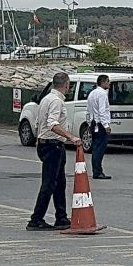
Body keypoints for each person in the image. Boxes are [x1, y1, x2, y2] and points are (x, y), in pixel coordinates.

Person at [27, 72, 80, 231]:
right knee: (49, 184)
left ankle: (61, 217)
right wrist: (71, 137)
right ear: (66, 85)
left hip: (48, 143)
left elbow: (38, 122)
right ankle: (36, 219)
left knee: (59, 183)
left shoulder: (46, 99)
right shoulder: (56, 101)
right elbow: (52, 124)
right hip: (52, 145)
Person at [86, 74, 112, 180]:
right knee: (99, 148)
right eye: (108, 81)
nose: (109, 83)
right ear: (103, 82)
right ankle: (98, 171)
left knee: (96, 147)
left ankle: (96, 170)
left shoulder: (92, 93)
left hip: (93, 122)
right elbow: (102, 111)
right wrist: (106, 125)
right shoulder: (102, 94)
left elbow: (88, 109)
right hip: (100, 123)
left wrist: (89, 122)